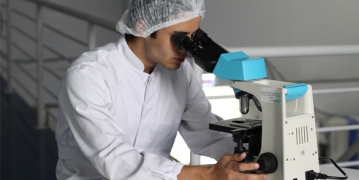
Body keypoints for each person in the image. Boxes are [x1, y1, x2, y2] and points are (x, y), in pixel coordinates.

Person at [55, 0, 267, 179]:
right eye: (180, 38)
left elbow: (207, 133)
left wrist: (250, 159)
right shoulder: (89, 74)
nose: (186, 50)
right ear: (142, 27)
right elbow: (112, 157)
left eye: (193, 38)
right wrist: (208, 175)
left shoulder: (179, 73)